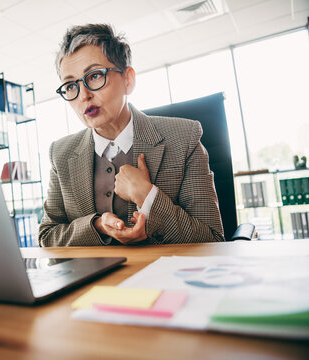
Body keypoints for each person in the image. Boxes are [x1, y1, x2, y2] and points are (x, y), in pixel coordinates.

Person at [39, 24, 224, 246]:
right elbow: (47, 237)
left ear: (128, 80)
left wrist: (147, 195)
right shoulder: (60, 153)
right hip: (91, 279)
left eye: (95, 75)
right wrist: (96, 226)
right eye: (70, 86)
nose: (83, 96)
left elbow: (212, 240)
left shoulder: (185, 138)